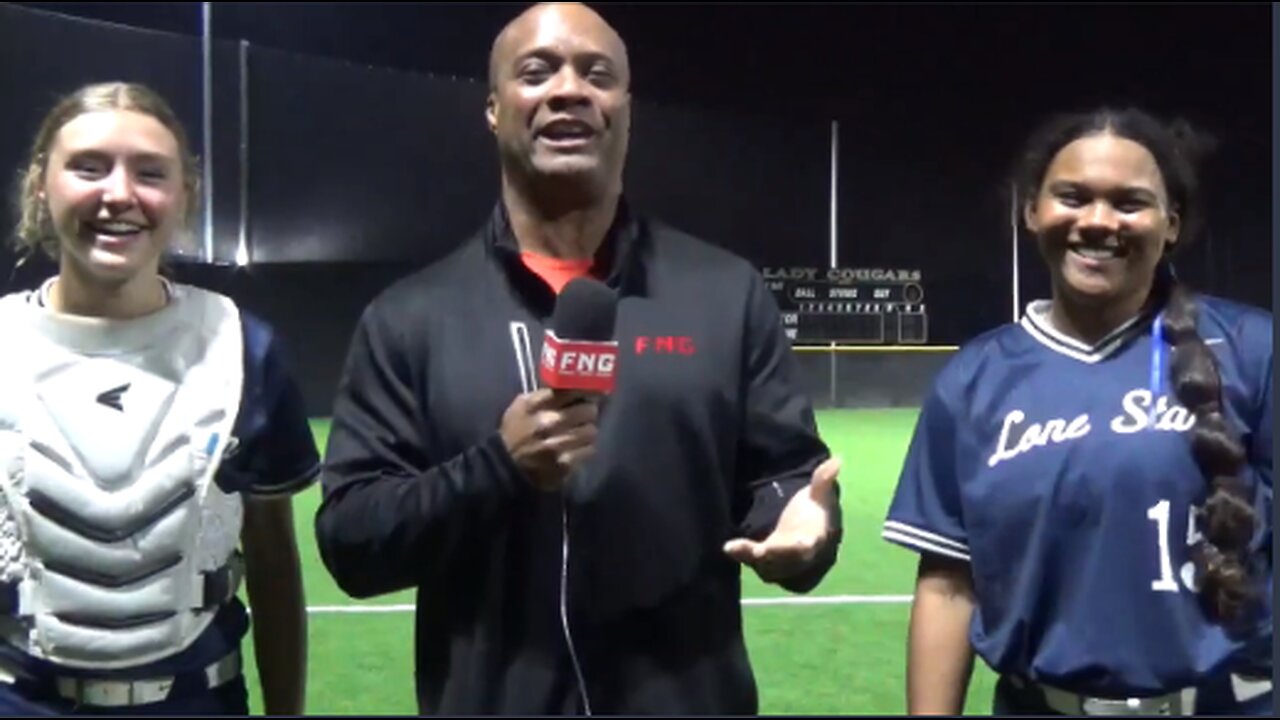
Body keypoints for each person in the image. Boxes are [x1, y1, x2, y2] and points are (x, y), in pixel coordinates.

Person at [315, 2, 842, 715]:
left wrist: (801, 526)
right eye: (536, 73)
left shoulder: (725, 292)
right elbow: (352, 545)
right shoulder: (411, 317)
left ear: (627, 112)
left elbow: (784, 477)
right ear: (495, 110)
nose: (569, 89)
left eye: (598, 75)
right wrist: (497, 468)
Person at [882, 106, 1273, 716]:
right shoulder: (974, 379)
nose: (1097, 221)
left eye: (1129, 202)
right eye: (1072, 196)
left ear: (1170, 224)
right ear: (1031, 210)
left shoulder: (1253, 350)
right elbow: (948, 586)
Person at [0, 82, 315, 715]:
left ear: (183, 194)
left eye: (150, 173)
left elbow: (275, 567)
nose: (118, 195)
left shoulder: (242, 348)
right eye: (88, 167)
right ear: (42, 184)